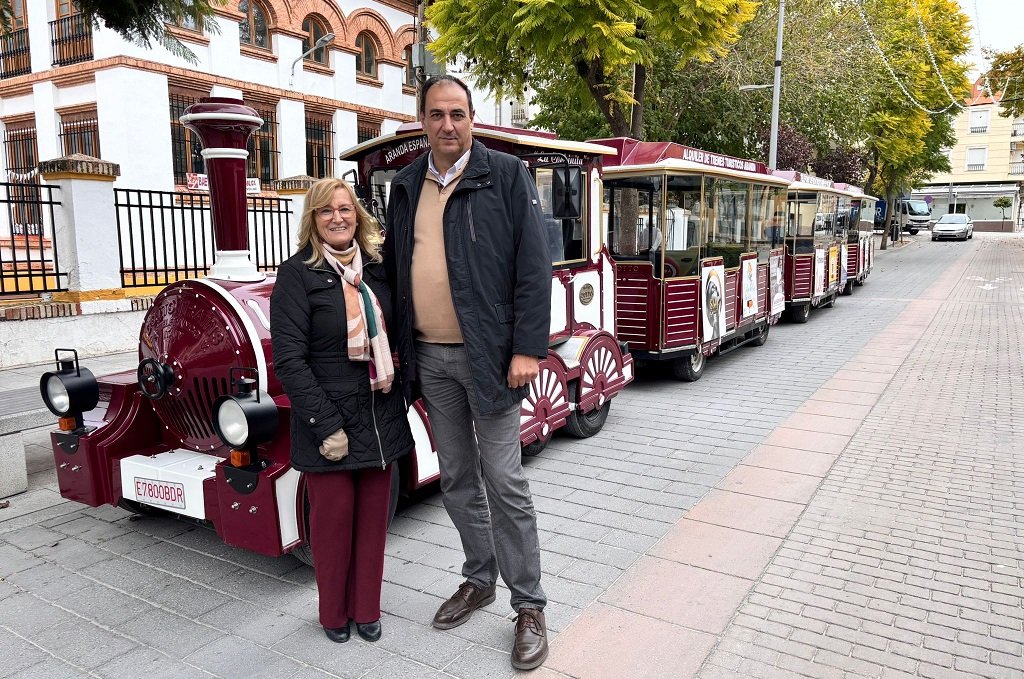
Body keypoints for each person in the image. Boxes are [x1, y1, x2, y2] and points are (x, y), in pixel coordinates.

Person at [383, 75, 552, 671]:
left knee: (504, 480)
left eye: (458, 113)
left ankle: (528, 604)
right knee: (455, 475)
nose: (447, 124)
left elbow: (534, 268)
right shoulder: (405, 185)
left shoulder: (504, 175)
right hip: (430, 357)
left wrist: (527, 348)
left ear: (472, 118)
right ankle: (479, 578)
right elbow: (391, 269)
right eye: (436, 114)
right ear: (422, 121)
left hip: (491, 360)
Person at [270, 177, 414, 645]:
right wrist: (325, 424)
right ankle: (333, 614)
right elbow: (289, 360)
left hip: (380, 415)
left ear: (358, 215)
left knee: (374, 524)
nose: (338, 217)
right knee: (332, 528)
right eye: (327, 211)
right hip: (329, 422)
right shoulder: (297, 275)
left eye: (345, 208)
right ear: (313, 220)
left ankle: (366, 610)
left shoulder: (375, 269)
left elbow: (402, 333)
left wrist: (405, 393)